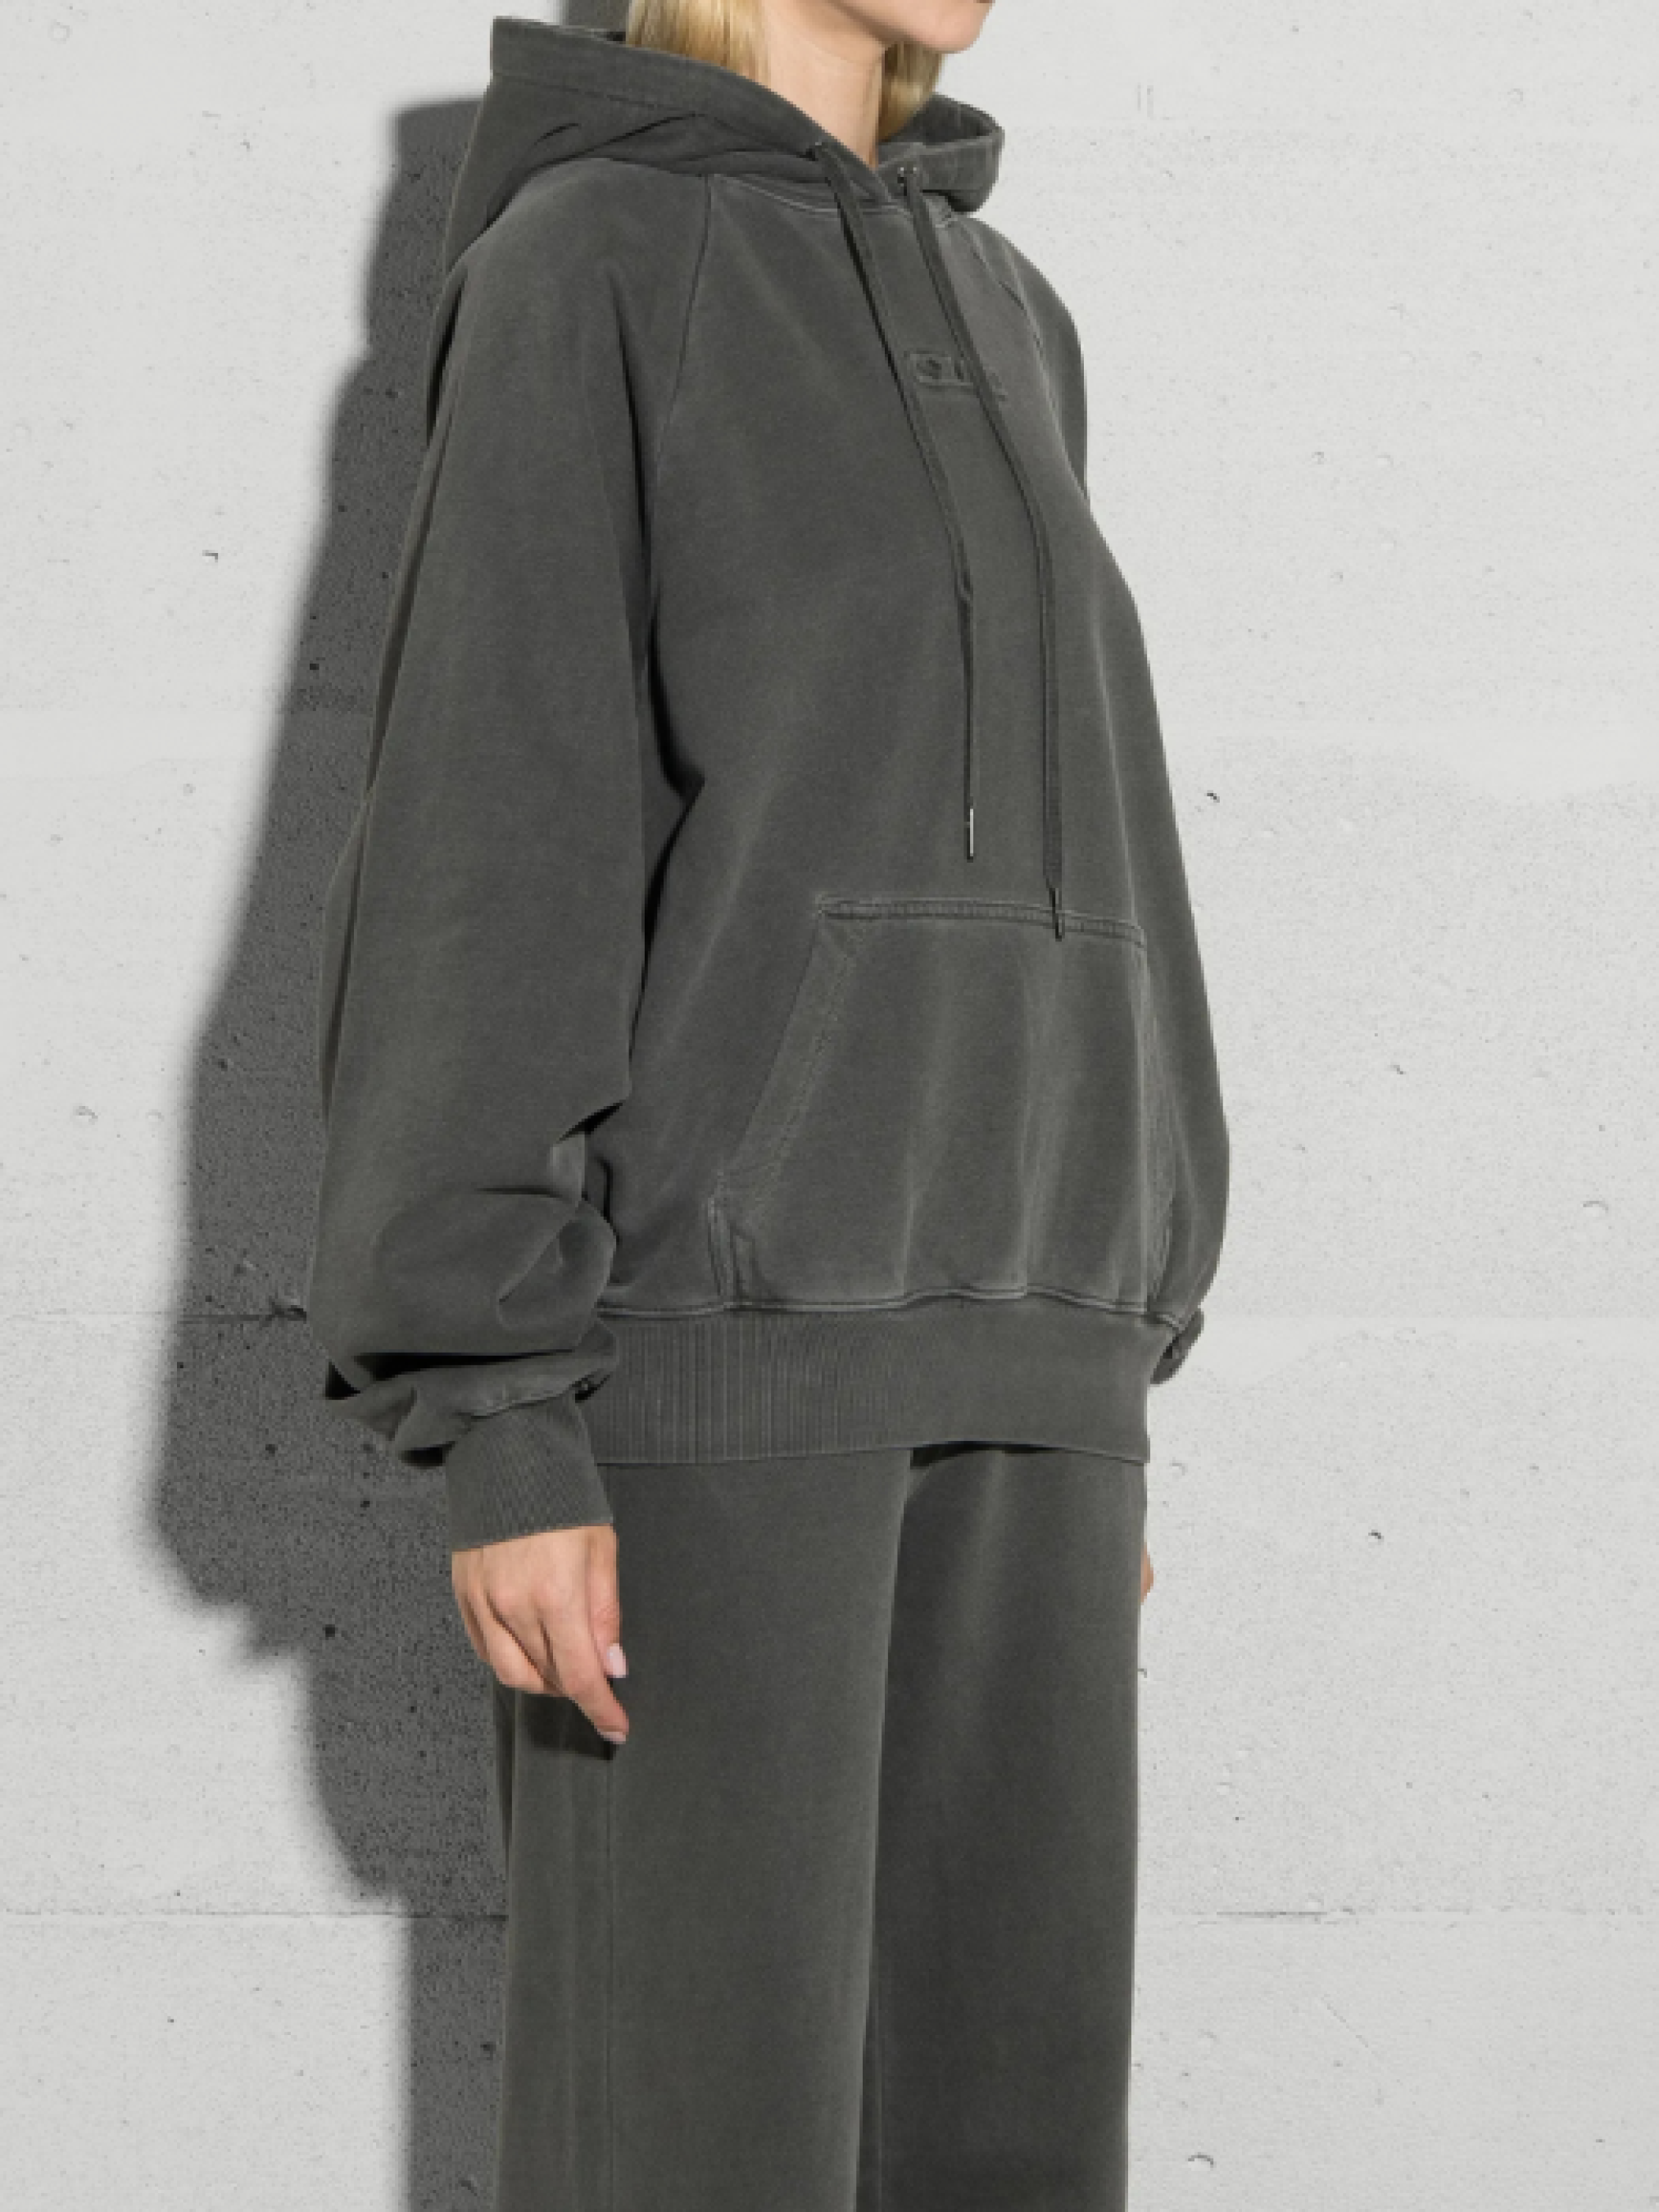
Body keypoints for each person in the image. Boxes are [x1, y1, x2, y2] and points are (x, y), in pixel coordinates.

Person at [302, 1, 1230, 2203]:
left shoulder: (1014, 311)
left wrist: (1093, 1339)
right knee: (693, 2152)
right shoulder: (589, 268)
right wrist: (503, 1413)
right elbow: (492, 837)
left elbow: (1095, 846)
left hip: (1034, 1372)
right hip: (717, 1383)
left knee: (1007, 2153)